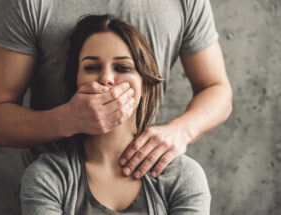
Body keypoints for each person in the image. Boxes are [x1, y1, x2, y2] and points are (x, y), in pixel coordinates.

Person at [0, 0, 232, 178]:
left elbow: (216, 88)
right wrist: (68, 120)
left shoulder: (187, 2)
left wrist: (181, 131)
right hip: (57, 187)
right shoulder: (27, 3)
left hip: (145, 175)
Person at [20, 14, 211, 215]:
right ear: (76, 80)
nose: (107, 78)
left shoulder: (183, 176)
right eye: (92, 67)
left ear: (144, 84)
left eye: (123, 67)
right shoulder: (47, 176)